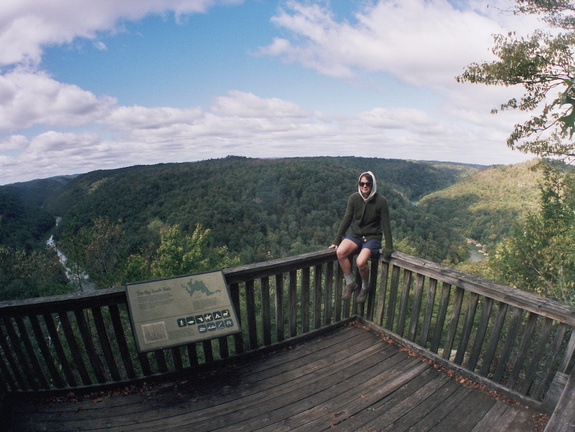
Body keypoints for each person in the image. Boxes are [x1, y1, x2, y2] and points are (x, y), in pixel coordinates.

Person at [329, 171, 393, 303]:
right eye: (362, 183)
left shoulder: (381, 201)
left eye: (368, 183)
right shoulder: (354, 198)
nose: (365, 186)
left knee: (360, 262)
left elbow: (386, 225)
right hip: (356, 234)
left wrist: (389, 246)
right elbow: (347, 219)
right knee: (340, 252)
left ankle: (365, 287)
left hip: (372, 237)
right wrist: (337, 239)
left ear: (373, 184)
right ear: (359, 184)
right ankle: (350, 283)